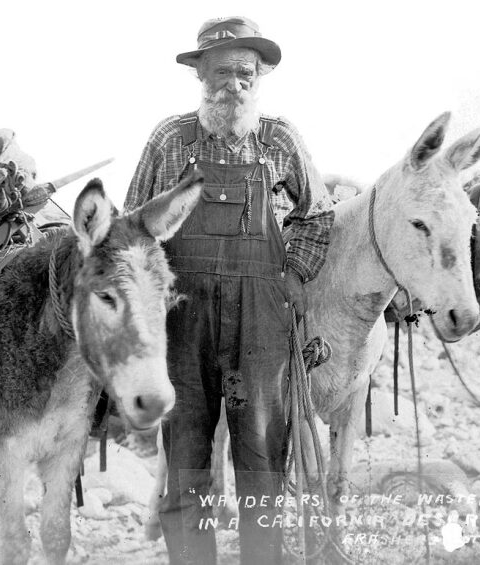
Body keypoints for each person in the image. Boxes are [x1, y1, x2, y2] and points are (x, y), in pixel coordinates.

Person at [124, 16, 334, 565]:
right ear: (200, 75)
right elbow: (132, 226)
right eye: (220, 72)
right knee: (188, 454)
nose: (232, 85)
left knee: (261, 452)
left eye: (244, 72)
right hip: (183, 320)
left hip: (259, 324)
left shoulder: (280, 139)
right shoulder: (169, 139)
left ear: (261, 75)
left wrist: (293, 276)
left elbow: (317, 216)